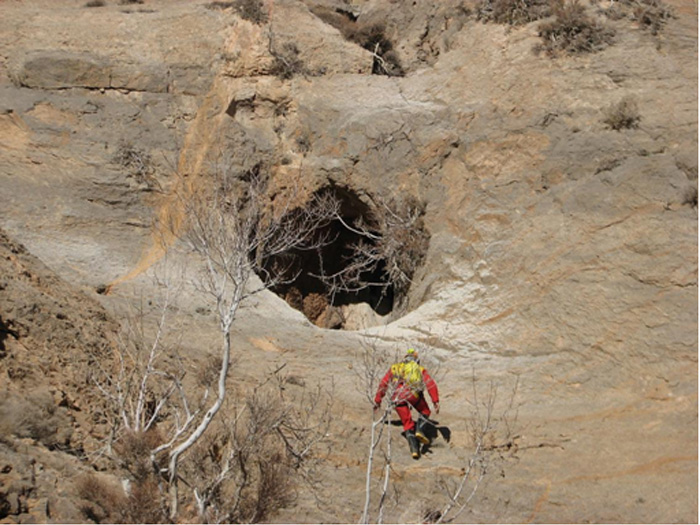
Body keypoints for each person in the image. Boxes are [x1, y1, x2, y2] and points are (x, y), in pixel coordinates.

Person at [373, 348, 440, 459]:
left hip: (397, 398)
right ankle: (419, 430)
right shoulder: (419, 369)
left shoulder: (395, 368)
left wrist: (377, 400)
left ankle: (414, 450)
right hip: (413, 395)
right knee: (425, 411)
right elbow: (430, 384)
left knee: (407, 423)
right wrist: (435, 400)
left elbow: (383, 384)